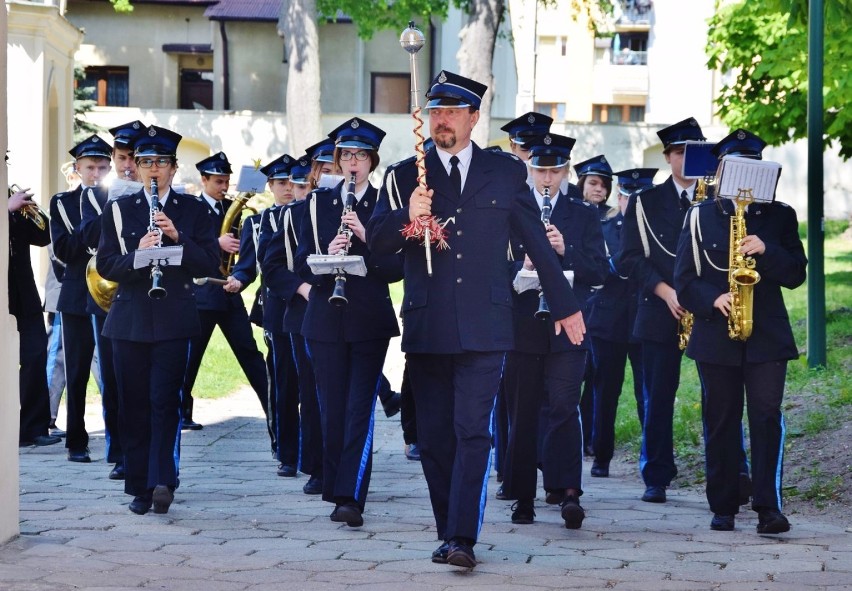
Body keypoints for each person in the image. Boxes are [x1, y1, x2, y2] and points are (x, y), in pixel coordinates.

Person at [367, 71, 585, 569]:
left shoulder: (505, 172)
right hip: (428, 326)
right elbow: (377, 247)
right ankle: (449, 530)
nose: (442, 120)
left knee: (473, 431)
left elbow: (533, 239)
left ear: (473, 118)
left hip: (486, 325)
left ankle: (463, 537)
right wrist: (408, 213)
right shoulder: (406, 174)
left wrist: (567, 306)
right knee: (436, 437)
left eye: (452, 112)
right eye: (435, 111)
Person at [674, 128, 806, 534]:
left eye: (753, 166)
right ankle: (724, 505)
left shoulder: (781, 215)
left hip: (767, 334)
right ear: (722, 171)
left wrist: (766, 250)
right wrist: (713, 299)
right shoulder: (699, 216)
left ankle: (769, 507)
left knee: (766, 416)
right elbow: (684, 280)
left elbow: (796, 275)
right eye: (736, 167)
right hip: (717, 332)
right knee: (721, 418)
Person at [96, 125, 219, 515]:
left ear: (172, 168)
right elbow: (106, 265)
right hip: (129, 318)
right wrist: (138, 253)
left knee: (164, 401)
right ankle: (138, 485)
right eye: (145, 162)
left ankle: (163, 480)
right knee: (132, 404)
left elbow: (208, 263)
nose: (152, 169)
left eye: (160, 163)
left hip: (174, 318)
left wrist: (177, 236)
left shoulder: (194, 210)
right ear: (136, 166)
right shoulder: (118, 210)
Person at [294, 117, 402, 527]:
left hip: (369, 319)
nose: (353, 162)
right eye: (346, 155)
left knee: (360, 408)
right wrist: (329, 254)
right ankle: (334, 484)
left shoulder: (384, 205)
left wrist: (366, 236)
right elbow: (303, 259)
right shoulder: (318, 203)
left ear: (372, 161)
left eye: (360, 155)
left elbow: (395, 268)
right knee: (332, 408)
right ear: (337, 160)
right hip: (324, 317)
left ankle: (351, 496)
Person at [500, 133, 607, 528]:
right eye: (540, 170)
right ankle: (523, 496)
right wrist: (525, 268)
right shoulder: (513, 209)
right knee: (524, 411)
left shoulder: (583, 214)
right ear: (530, 170)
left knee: (564, 406)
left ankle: (568, 492)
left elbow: (600, 271)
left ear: (566, 172)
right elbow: (495, 266)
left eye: (555, 171)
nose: (547, 178)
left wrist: (566, 253)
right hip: (523, 323)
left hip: (570, 326)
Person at [618, 117, 706, 503]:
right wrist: (665, 290)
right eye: (679, 152)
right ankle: (657, 475)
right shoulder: (644, 202)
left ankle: (733, 471)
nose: (686, 159)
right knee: (658, 396)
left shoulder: (718, 199)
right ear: (668, 157)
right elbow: (629, 259)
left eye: (694, 152)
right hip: (659, 308)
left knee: (721, 396)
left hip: (709, 312)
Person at [77, 123, 150, 479]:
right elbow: (86, 238)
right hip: (106, 298)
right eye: (122, 159)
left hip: (150, 297)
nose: (127, 167)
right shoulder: (95, 196)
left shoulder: (157, 196)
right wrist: (114, 200)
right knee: (114, 379)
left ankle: (147, 448)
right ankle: (119, 451)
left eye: (134, 160)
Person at [181, 152, 270, 437]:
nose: (224, 187)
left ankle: (274, 408)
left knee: (249, 352)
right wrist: (215, 242)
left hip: (229, 293)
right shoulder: (191, 209)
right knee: (191, 356)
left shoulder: (233, 208)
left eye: (227, 181)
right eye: (218, 181)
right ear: (203, 180)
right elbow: (185, 244)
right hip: (202, 293)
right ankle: (182, 412)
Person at [586, 167, 656, 477]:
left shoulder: (656, 228)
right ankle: (601, 456)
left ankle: (651, 458)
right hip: (608, 320)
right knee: (606, 392)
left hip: (644, 319)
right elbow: (599, 267)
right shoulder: (604, 225)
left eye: (641, 196)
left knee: (647, 393)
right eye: (629, 195)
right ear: (620, 197)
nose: (634, 201)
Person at [262, 153, 324, 494]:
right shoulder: (286, 216)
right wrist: (301, 289)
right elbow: (268, 264)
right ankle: (299, 457)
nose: (297, 190)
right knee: (296, 386)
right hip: (293, 311)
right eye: (294, 184)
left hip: (340, 313)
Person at [49, 135, 113, 463]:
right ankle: (76, 439)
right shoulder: (62, 202)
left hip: (114, 296)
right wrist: (93, 230)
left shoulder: (118, 199)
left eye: (103, 166)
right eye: (90, 167)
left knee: (115, 371)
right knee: (76, 372)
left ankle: (118, 439)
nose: (97, 173)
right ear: (78, 168)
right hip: (76, 295)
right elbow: (64, 250)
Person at [8, 182, 61, 448]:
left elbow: (43, 238)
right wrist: (6, 211)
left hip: (24, 294)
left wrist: (30, 211)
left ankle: (33, 428)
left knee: (36, 354)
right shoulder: (8, 204)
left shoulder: (11, 198)